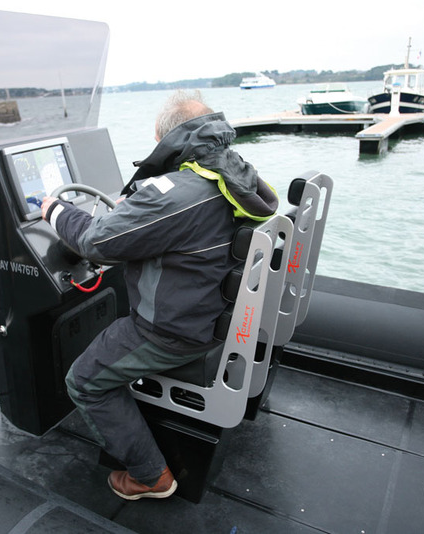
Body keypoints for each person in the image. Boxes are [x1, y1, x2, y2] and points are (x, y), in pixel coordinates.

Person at [41, 90, 278, 500]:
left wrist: (55, 211)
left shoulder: (177, 193)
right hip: (214, 314)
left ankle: (150, 477)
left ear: (163, 138)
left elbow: (96, 242)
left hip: (170, 333)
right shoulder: (238, 174)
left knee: (83, 382)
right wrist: (132, 209)